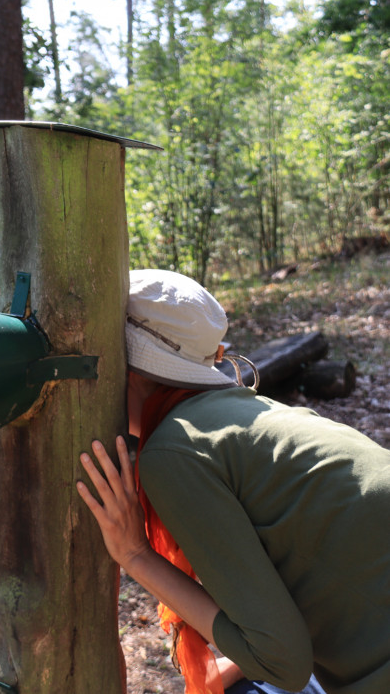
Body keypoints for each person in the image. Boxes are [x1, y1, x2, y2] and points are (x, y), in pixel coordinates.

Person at [76, 269, 390, 694]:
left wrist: (135, 554)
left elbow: (283, 663)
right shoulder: (248, 416)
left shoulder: (175, 448)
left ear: (126, 372)